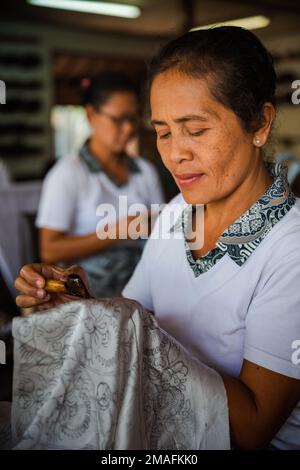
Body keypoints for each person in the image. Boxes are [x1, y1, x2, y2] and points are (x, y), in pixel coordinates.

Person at [14, 27, 300, 449]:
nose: (174, 153)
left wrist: (132, 334)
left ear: (259, 124)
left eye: (195, 130)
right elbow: (137, 314)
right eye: (163, 132)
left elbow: (251, 428)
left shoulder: (289, 249)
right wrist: (80, 308)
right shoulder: (175, 215)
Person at [36, 72, 165, 296]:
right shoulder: (68, 173)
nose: (128, 129)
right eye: (118, 119)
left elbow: (163, 229)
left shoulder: (145, 171)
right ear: (91, 115)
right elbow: (49, 249)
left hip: (146, 282)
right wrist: (119, 232)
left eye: (133, 118)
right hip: (92, 292)